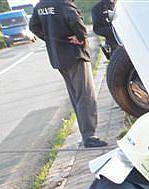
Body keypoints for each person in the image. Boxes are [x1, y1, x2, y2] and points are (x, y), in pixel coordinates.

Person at [30, 0, 108, 148]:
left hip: (58, 57)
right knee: (85, 96)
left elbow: (33, 26)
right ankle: (89, 136)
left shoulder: (40, 6)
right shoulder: (63, 3)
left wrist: (52, 39)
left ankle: (86, 135)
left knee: (76, 97)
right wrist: (80, 37)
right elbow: (75, 20)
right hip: (75, 55)